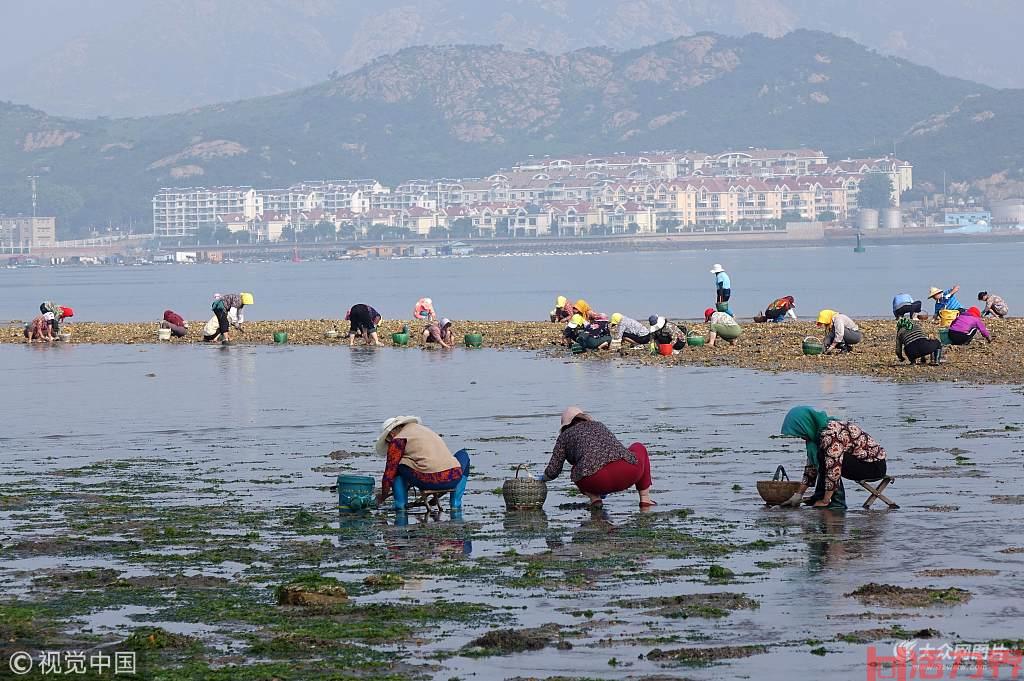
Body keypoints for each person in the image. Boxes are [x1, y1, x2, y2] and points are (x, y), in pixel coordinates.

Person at [539, 406, 655, 508]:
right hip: (627, 474)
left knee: (577, 469)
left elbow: (553, 470)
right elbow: (614, 449)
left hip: (595, 481)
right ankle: (645, 498)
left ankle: (595, 499)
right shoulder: (599, 425)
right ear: (584, 417)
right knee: (639, 447)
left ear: (564, 426)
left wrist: (541, 479)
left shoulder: (563, 437)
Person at [778, 406, 887, 510]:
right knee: (823, 457)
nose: (800, 437)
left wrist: (825, 501)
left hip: (873, 467)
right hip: (857, 463)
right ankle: (821, 496)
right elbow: (811, 467)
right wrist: (798, 494)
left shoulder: (830, 434)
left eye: (800, 432)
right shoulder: (816, 436)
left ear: (806, 425)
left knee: (827, 459)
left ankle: (836, 502)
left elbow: (834, 469)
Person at [374, 415, 470, 511]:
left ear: (391, 434)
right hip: (454, 478)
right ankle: (455, 503)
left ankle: (400, 505)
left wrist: (382, 496)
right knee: (463, 455)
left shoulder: (398, 439)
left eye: (388, 441)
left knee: (397, 464)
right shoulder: (424, 430)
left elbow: (389, 474)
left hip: (429, 480)